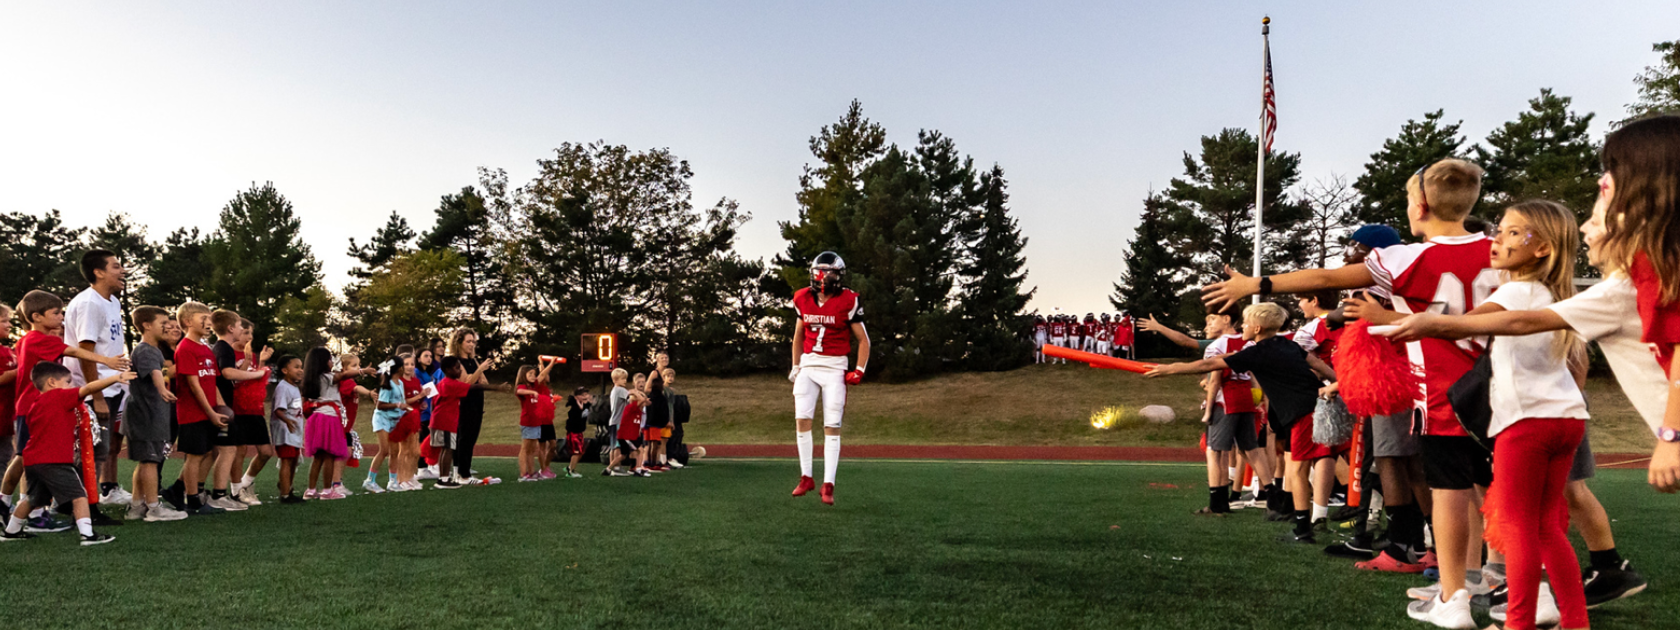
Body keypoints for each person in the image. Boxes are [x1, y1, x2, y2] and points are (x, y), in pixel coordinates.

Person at [1204, 158, 1497, 628]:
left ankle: (1455, 595)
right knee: (1497, 491)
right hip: (1501, 393)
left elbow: (1325, 279)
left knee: (1450, 495)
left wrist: (1256, 284)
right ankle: (1501, 579)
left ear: (1419, 206)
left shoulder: (1406, 258)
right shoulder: (1500, 248)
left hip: (1443, 396)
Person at [1146, 302, 1336, 543]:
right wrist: (1339, 384)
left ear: (1257, 328)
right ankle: (1307, 524)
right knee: (1308, 465)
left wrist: (1170, 370)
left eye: (1246, 323)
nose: (1242, 327)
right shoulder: (1289, 345)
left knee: (1297, 470)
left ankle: (1303, 530)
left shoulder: (1257, 352)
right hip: (1316, 407)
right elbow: (1319, 365)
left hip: (1304, 413)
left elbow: (1208, 365)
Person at [0, 362, 134, 544]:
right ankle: (88, 535)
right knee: (79, 495)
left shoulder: (35, 405)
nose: (71, 386)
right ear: (52, 382)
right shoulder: (59, 397)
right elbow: (87, 389)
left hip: (33, 460)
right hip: (54, 460)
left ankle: (11, 531)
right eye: (68, 382)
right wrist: (116, 378)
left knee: (34, 498)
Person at [788, 251, 871, 506]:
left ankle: (828, 483)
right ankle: (806, 477)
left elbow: (863, 340)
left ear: (838, 276)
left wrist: (859, 369)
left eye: (829, 272)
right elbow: (799, 334)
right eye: (820, 271)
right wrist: (796, 364)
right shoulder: (802, 297)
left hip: (835, 366)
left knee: (831, 426)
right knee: (802, 420)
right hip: (810, 364)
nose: (823, 277)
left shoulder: (848, 300)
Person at [59, 249, 133, 510]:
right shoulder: (89, 303)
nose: (122, 270)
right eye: (115, 266)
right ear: (98, 272)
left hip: (110, 385)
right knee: (89, 451)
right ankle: (77, 506)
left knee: (104, 448)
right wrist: (96, 396)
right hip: (91, 390)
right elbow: (85, 352)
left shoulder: (112, 302)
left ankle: (86, 502)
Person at [1191, 305, 1272, 516]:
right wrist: (1260, 400)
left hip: (1225, 401)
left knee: (1215, 452)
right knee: (1251, 450)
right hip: (1247, 398)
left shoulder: (1217, 346)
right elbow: (1256, 374)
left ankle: (1218, 503)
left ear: (1226, 319)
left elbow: (1216, 380)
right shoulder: (1250, 342)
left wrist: (1208, 409)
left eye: (1212, 319)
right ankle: (1274, 498)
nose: (1208, 323)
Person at [121, 306, 188, 522]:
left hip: (148, 413)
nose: (167, 326)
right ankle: (153, 508)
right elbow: (156, 373)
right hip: (146, 413)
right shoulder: (147, 350)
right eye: (163, 322)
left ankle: (137, 505)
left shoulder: (152, 349)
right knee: (150, 460)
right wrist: (162, 390)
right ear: (147, 325)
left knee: (146, 460)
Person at [207, 309, 265, 511]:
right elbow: (227, 372)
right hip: (223, 408)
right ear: (231, 328)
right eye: (241, 326)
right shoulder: (224, 348)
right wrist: (256, 374)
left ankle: (212, 493)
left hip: (222, 406)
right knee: (227, 450)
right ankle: (219, 494)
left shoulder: (222, 347)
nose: (243, 330)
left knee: (222, 450)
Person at [230, 319, 276, 506]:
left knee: (266, 451)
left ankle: (246, 482)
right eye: (245, 333)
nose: (249, 338)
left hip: (255, 408)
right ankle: (235, 491)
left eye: (251, 334)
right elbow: (234, 379)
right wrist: (248, 360)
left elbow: (255, 380)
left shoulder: (252, 355)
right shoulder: (228, 352)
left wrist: (262, 362)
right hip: (237, 408)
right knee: (239, 450)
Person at [430, 355, 494, 489]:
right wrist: (497, 388)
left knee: (445, 449)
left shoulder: (442, 383)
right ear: (448, 370)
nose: (460, 371)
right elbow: (471, 387)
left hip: (440, 420)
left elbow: (434, 401)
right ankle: (443, 479)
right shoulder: (450, 383)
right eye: (457, 368)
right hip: (445, 421)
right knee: (448, 450)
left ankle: (444, 478)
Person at [300, 348, 349, 500]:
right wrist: (362, 371)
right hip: (329, 418)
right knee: (329, 456)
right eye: (330, 359)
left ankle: (310, 490)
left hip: (315, 419)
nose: (332, 362)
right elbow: (345, 375)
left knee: (318, 457)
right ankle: (327, 491)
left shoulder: (310, 380)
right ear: (323, 362)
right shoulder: (328, 377)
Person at [366, 354, 410, 493]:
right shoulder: (388, 384)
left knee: (394, 452)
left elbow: (401, 402)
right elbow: (380, 405)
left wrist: (407, 410)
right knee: (384, 450)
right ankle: (370, 480)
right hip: (382, 419)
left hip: (394, 420)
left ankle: (392, 481)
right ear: (399, 369)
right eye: (404, 365)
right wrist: (398, 405)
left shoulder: (400, 383)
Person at [515, 359, 559, 481]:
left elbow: (543, 374)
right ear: (523, 375)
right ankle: (523, 474)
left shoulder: (534, 385)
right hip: (527, 422)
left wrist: (551, 364)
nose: (533, 376)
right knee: (525, 448)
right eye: (530, 374)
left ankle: (531, 472)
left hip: (536, 422)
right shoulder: (523, 386)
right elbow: (518, 390)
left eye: (534, 374)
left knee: (532, 449)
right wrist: (532, 392)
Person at [269, 355, 306, 503]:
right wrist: (288, 421)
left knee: (293, 460)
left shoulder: (294, 387)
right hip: (285, 432)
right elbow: (278, 410)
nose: (300, 370)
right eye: (296, 367)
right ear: (285, 370)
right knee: (287, 460)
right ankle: (285, 494)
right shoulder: (283, 388)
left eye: (301, 367)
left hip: (293, 432)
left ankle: (287, 487)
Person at [0, 305, 18, 486]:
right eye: (4, 321)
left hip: (5, 417)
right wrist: (21, 369)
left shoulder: (7, 351)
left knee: (4, 458)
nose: (9, 324)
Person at [562, 386, 591, 478]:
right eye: (583, 395)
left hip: (579, 432)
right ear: (576, 397)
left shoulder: (586, 405)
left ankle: (570, 467)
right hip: (573, 433)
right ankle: (571, 471)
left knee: (581, 452)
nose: (585, 396)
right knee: (576, 452)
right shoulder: (574, 408)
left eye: (586, 394)